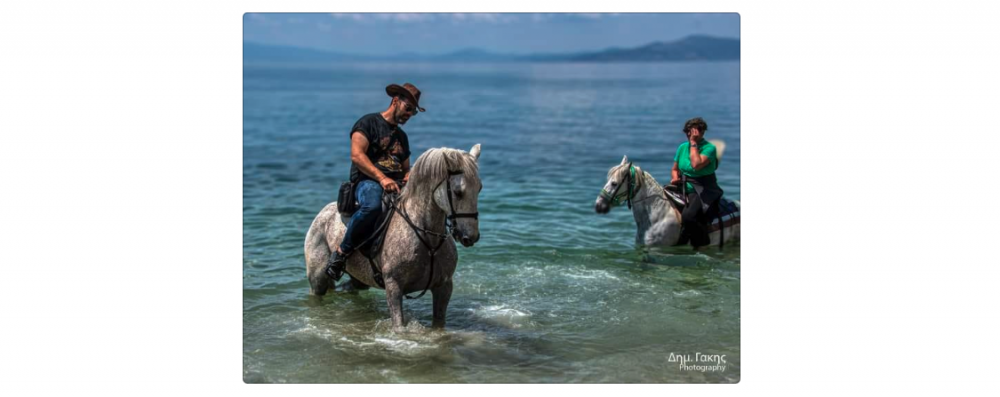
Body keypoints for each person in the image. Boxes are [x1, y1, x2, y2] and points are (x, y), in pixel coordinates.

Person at [325, 83, 424, 281]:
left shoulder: (402, 137)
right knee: (372, 207)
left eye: (413, 112)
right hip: (367, 180)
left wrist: (409, 175)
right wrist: (382, 178)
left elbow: (406, 167)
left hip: (396, 183)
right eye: (408, 109)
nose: (409, 115)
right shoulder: (368, 123)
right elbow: (357, 156)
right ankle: (341, 253)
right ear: (395, 101)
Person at [669, 117, 724, 248]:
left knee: (688, 217)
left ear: (702, 132)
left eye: (693, 132)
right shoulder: (682, 147)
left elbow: (696, 164)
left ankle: (702, 243)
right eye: (688, 132)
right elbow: (675, 169)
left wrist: (693, 143)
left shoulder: (709, 148)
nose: (689, 135)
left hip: (703, 189)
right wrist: (675, 177)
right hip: (683, 186)